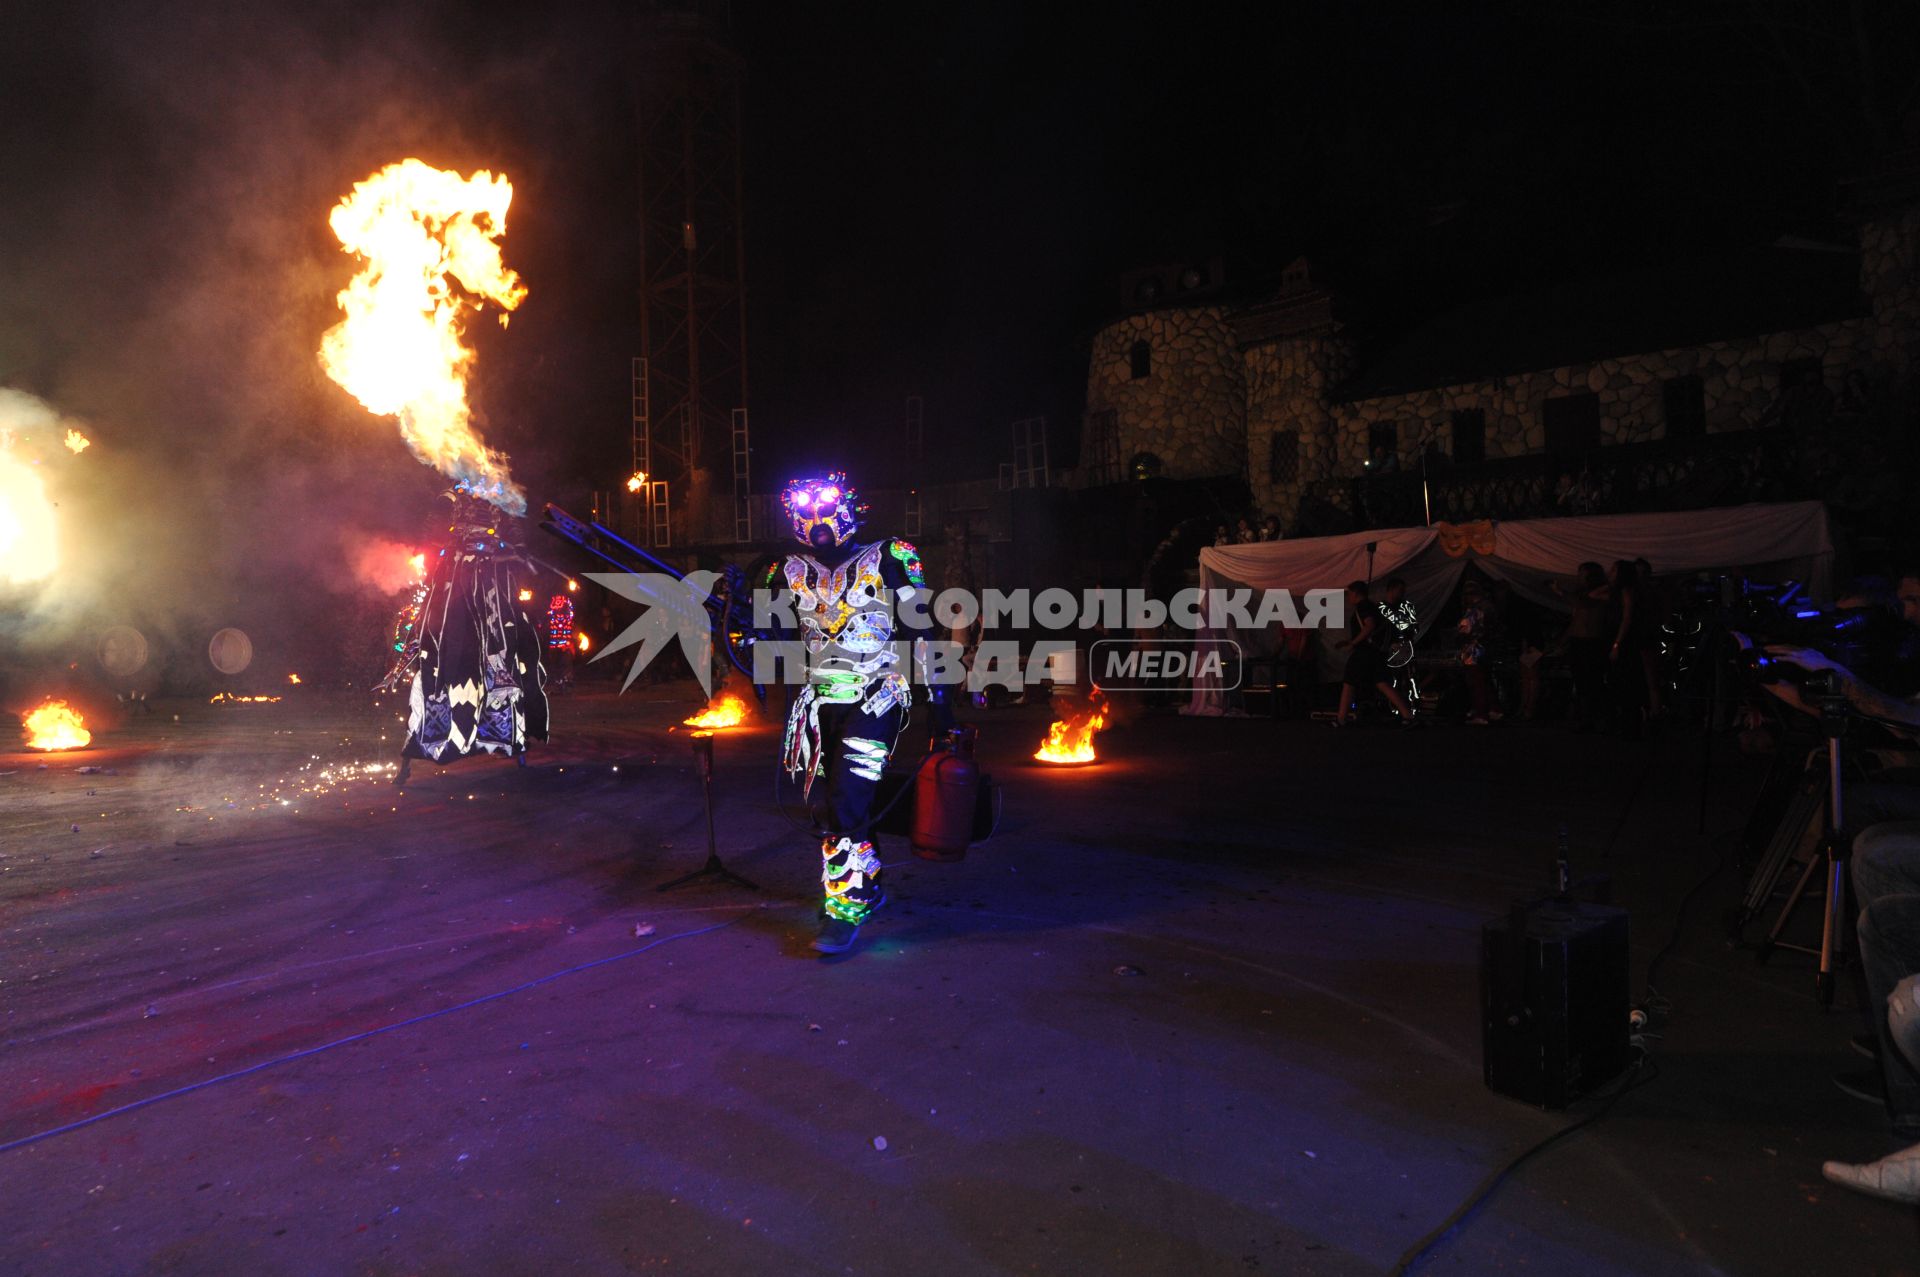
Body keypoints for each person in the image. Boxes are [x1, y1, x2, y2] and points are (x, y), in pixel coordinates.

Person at [769, 471, 926, 954]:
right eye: (806, 512)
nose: (818, 521)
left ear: (851, 509)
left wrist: (942, 709)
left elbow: (921, 630)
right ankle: (869, 883)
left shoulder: (893, 556)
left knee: (845, 801)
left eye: (826, 510)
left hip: (875, 695)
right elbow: (772, 636)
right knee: (841, 803)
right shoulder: (785, 569)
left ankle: (845, 910)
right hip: (818, 702)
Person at [1332, 580, 1415, 728]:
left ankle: (1341, 719)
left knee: (1349, 682)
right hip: (1376, 652)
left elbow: (1369, 626)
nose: (1348, 597)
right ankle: (1408, 715)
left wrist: (1353, 643)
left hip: (1364, 652)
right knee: (1382, 683)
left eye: (1349, 594)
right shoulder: (1373, 606)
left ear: (1356, 593)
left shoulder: (1363, 606)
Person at [1553, 563, 1609, 730]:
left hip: (1593, 641)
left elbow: (1586, 604)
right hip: (1579, 641)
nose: (1579, 577)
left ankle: (1600, 718)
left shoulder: (1603, 591)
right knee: (1581, 681)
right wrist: (1563, 641)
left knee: (1594, 681)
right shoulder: (1582, 595)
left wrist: (1560, 591)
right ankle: (1586, 719)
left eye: (1582, 574)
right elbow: (1576, 621)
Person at [1606, 559, 1647, 738]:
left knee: (1626, 681)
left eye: (1614, 570)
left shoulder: (1626, 591)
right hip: (1619, 638)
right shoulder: (1615, 591)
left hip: (1625, 641)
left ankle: (1630, 725)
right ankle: (1624, 723)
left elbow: (1627, 618)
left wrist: (1617, 643)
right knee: (1620, 681)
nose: (1611, 573)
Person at [1457, 579, 1499, 725]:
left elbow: (1465, 629)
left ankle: (1481, 714)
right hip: (1488, 648)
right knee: (1486, 679)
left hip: (1474, 650)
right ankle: (1493, 710)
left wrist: (1460, 634)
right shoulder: (1490, 607)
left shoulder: (1475, 610)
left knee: (1477, 681)